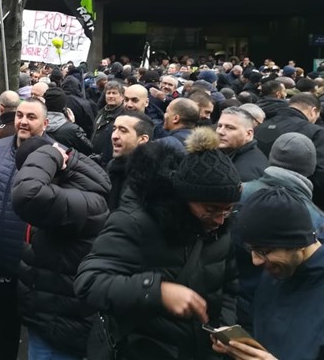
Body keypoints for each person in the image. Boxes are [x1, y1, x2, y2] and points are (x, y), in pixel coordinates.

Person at [75, 128, 242, 360]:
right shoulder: (135, 222)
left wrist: (223, 330)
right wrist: (155, 291)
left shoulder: (220, 228)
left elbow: (228, 287)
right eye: (210, 210)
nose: (220, 219)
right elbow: (88, 282)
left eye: (228, 209)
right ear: (185, 199)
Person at [11, 137, 110, 360]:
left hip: (60, 328)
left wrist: (50, 154)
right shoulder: (71, 188)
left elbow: (27, 194)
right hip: (51, 314)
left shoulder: (86, 200)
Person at [0, 98, 54, 360]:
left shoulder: (57, 157)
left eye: (31, 117)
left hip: (33, 271)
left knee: (39, 343)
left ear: (45, 123)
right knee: (0, 336)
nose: (23, 121)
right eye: (20, 114)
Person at [218, 188, 324, 360]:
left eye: (263, 251)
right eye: (252, 249)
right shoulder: (276, 274)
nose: (256, 261)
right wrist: (241, 346)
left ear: (298, 243)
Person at [255, 93, 324, 211]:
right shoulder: (316, 132)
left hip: (260, 196)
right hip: (302, 202)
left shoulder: (261, 127)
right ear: (313, 111)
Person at [106, 111, 153, 210]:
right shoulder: (113, 166)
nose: (114, 136)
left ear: (143, 139)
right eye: (114, 129)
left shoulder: (149, 178)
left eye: (123, 130)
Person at [216, 107, 268, 182]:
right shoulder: (225, 153)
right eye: (219, 126)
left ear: (248, 134)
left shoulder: (244, 173)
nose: (220, 131)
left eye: (230, 128)